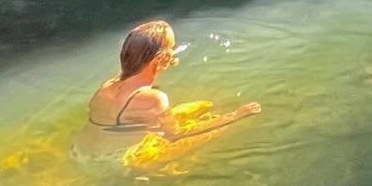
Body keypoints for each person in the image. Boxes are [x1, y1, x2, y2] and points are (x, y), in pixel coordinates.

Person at [87, 20, 260, 142]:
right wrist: (235, 116)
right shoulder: (155, 99)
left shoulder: (109, 85)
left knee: (199, 106)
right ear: (159, 58)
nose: (174, 52)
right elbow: (175, 135)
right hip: (119, 159)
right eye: (171, 48)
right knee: (215, 127)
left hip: (88, 149)